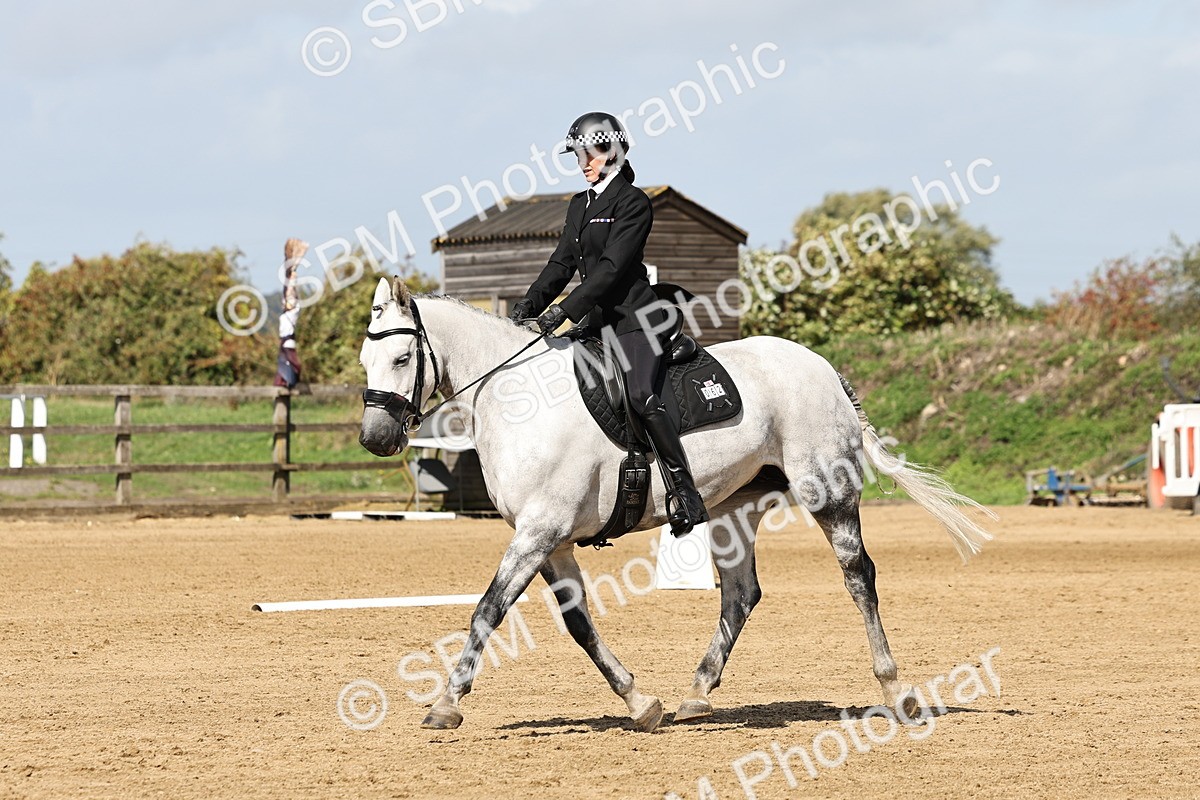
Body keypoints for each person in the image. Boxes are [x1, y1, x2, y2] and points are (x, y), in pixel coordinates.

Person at [508, 111, 708, 536]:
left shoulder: (633, 202)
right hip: (597, 321)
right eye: (578, 156)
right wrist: (530, 303)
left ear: (613, 152)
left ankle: (685, 494)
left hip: (636, 320)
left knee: (641, 396)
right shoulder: (579, 204)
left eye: (590, 154)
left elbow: (612, 268)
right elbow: (561, 263)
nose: (583, 163)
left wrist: (564, 310)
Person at [274, 237, 307, 388]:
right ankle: (283, 382)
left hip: (288, 343)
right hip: (285, 343)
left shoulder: (293, 311)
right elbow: (287, 291)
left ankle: (287, 382)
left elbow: (290, 293)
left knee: (289, 363)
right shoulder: (287, 312)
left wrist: (291, 275)